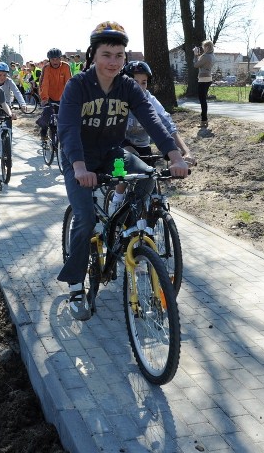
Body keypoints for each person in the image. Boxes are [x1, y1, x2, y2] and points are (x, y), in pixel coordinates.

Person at [57, 21, 190, 321]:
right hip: (79, 159)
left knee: (145, 177)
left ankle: (121, 226)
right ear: (93, 55)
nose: (113, 62)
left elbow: (153, 120)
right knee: (86, 217)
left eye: (119, 55)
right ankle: (76, 286)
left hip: (113, 156)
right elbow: (67, 129)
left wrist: (174, 155)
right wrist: (79, 166)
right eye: (106, 55)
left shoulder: (127, 86)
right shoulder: (77, 85)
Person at [109, 60, 195, 212]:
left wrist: (185, 152)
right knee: (122, 173)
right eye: (134, 82)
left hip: (142, 145)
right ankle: (116, 199)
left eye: (144, 82)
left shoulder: (150, 100)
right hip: (119, 142)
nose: (140, 87)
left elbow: (168, 126)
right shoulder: (117, 98)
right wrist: (126, 146)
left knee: (148, 181)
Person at [39, 48, 73, 143]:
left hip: (63, 97)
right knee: (46, 114)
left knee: (65, 117)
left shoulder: (66, 67)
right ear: (49, 60)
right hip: (49, 97)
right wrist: (44, 98)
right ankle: (43, 133)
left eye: (57, 59)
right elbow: (44, 84)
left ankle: (65, 137)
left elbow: (69, 83)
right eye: (53, 59)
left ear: (60, 58)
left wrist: (70, 98)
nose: (55, 61)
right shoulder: (46, 68)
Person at [193, 40, 215, 126]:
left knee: (202, 100)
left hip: (203, 79)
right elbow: (202, 63)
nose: (203, 48)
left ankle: (204, 120)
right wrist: (199, 56)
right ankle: (204, 119)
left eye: (204, 46)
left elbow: (196, 65)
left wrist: (195, 55)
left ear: (207, 47)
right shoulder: (212, 56)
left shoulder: (206, 56)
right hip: (209, 78)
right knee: (203, 100)